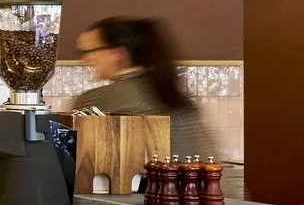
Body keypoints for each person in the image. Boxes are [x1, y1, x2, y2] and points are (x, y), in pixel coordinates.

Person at [75, 14, 213, 159]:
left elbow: (78, 163)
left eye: (90, 51)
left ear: (117, 54)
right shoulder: (175, 97)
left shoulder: (95, 101)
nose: (85, 60)